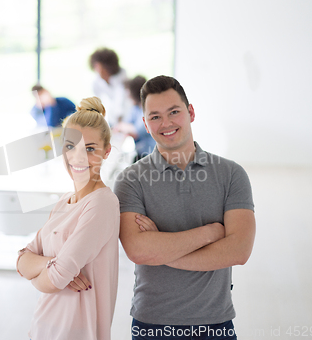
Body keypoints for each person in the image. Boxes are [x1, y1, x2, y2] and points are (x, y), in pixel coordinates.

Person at [114, 75, 256, 340]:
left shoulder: (231, 174)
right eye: (155, 116)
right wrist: (211, 233)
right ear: (145, 123)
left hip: (215, 323)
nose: (166, 123)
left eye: (174, 112)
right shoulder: (130, 180)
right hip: (151, 324)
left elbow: (239, 251)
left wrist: (162, 250)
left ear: (190, 112)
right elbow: (138, 250)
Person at [17, 96, 121, 340]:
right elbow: (23, 259)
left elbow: (51, 279)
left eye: (91, 149)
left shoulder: (102, 203)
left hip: (76, 333)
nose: (78, 157)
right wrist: (53, 264)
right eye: (70, 146)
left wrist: (47, 269)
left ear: (107, 151)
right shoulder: (65, 201)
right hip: (43, 327)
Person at [113, 75, 156, 161]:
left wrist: (122, 127)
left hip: (151, 154)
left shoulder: (149, 109)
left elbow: (135, 131)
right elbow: (127, 124)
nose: (127, 97)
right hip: (140, 152)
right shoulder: (135, 108)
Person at [89, 48, 132, 127]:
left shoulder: (123, 80)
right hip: (112, 122)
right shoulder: (97, 82)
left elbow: (120, 108)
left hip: (127, 122)